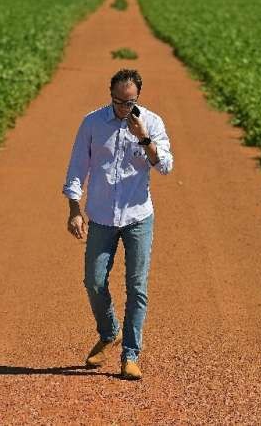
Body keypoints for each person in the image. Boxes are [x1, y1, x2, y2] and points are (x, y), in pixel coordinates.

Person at [62, 68, 173, 380]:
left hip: (138, 216)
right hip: (102, 217)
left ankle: (131, 354)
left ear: (138, 96)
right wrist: (74, 208)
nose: (125, 108)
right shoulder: (93, 123)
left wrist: (143, 137)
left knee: (137, 287)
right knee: (94, 282)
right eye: (120, 102)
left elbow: (165, 165)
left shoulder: (151, 122)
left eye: (131, 102)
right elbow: (76, 167)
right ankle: (109, 331)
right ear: (110, 96)